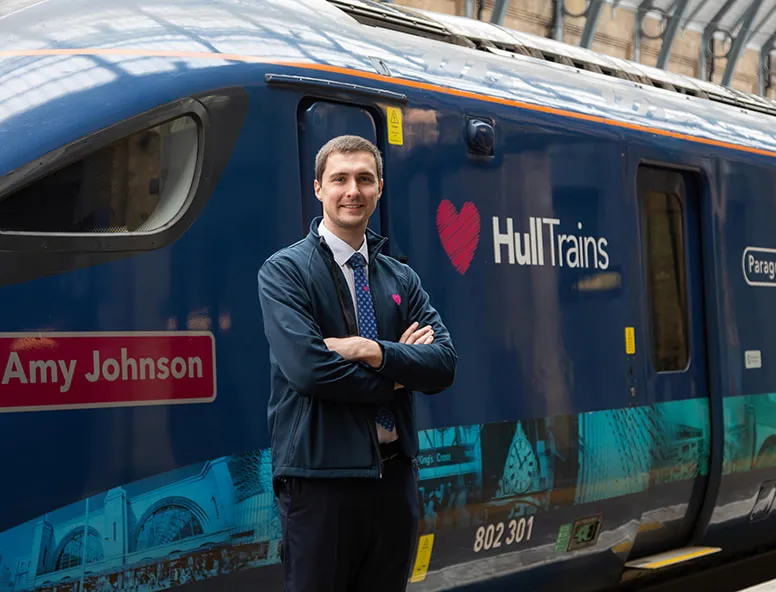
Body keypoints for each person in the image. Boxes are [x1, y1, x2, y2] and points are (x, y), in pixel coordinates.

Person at [257, 134, 457, 591]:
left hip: (394, 477)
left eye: (364, 179)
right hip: (321, 480)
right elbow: (309, 369)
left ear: (380, 188)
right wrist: (400, 377)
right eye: (340, 179)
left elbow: (444, 363)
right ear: (318, 188)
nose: (353, 191)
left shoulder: (400, 276)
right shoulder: (284, 271)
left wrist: (374, 351)